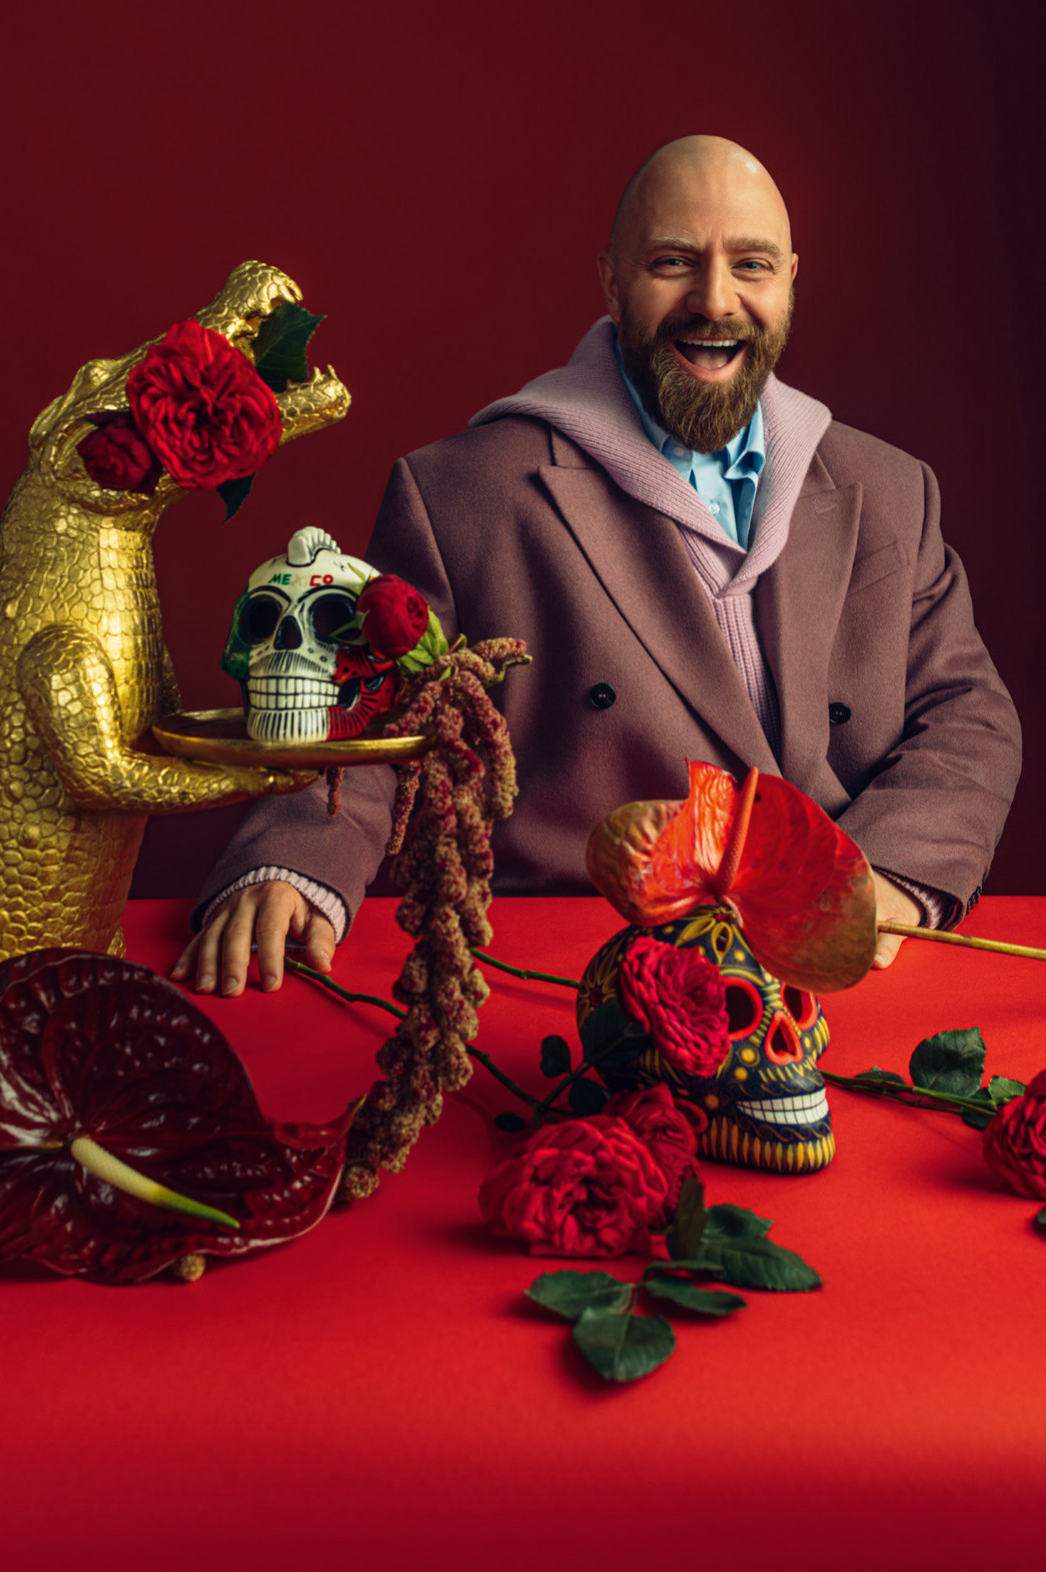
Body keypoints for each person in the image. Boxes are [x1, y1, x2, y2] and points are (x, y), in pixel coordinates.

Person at [174, 135, 1021, 997]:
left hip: (849, 975)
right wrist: (292, 864)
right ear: (612, 283)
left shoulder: (890, 488)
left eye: (751, 266)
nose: (714, 300)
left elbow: (967, 713)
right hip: (577, 980)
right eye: (672, 262)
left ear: (790, 280)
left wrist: (875, 886)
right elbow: (377, 716)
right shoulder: (463, 494)